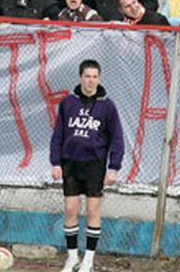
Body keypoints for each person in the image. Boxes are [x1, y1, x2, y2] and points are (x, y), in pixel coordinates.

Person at [50, 59, 124, 272]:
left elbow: (116, 139)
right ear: (80, 77)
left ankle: (88, 261)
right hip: (71, 163)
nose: (91, 81)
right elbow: (58, 135)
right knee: (70, 209)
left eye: (94, 77)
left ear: (98, 79)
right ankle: (72, 258)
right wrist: (56, 162)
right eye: (87, 76)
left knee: (93, 210)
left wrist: (114, 167)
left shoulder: (107, 105)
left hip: (94, 165)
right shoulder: (68, 103)